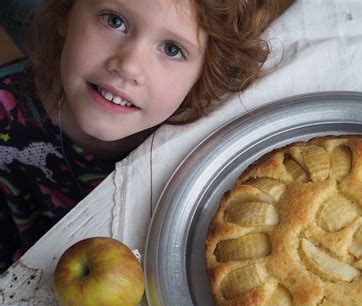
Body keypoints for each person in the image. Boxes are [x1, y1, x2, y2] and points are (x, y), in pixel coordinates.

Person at [0, 0, 294, 272]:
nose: (129, 66)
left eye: (171, 49)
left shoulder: (203, 137)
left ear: (206, 71)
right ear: (67, 13)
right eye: (114, 21)